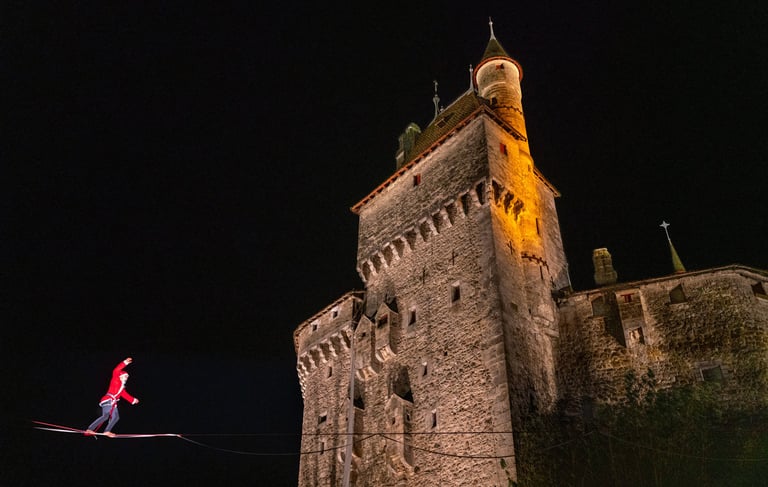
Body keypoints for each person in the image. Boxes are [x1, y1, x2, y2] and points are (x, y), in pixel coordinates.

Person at [84, 357, 140, 437]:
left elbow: (124, 395)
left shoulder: (122, 387)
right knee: (110, 416)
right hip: (108, 400)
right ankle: (96, 430)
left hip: (110, 402)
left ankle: (99, 430)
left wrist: (133, 400)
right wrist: (125, 362)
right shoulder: (116, 380)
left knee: (111, 417)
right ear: (121, 376)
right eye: (125, 376)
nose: (126, 378)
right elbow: (116, 370)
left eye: (127, 377)